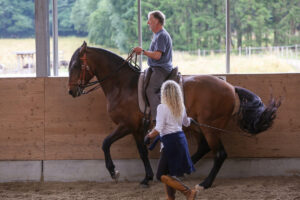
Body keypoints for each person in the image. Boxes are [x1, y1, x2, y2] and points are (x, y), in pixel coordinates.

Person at [144, 80, 197, 200]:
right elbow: (186, 123)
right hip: (180, 140)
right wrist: (191, 120)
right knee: (169, 173)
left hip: (170, 142)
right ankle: (170, 197)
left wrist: (148, 136)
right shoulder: (181, 106)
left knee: (160, 175)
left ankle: (188, 192)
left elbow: (158, 128)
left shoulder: (162, 107)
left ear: (164, 93)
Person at [133, 10, 173, 122]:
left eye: (150, 20)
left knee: (150, 90)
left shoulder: (161, 36)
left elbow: (157, 56)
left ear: (156, 21)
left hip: (161, 69)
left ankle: (158, 121)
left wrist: (143, 51)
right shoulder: (157, 35)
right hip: (156, 68)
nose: (148, 23)